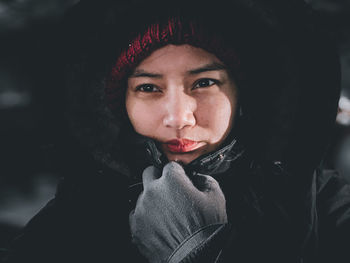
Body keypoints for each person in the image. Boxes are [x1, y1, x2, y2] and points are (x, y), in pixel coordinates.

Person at [2, 0, 349, 262]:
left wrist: (203, 251)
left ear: (242, 96)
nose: (179, 118)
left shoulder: (326, 205)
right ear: (117, 105)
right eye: (148, 88)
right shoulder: (73, 220)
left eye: (204, 82)